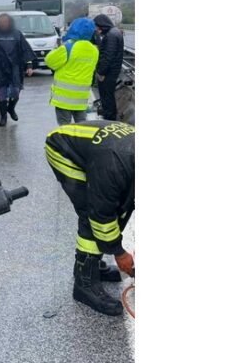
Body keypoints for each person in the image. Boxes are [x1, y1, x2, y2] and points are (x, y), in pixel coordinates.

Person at [44, 120, 135, 316]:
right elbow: (101, 215)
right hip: (63, 148)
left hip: (98, 151)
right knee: (90, 212)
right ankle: (84, 283)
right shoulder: (114, 166)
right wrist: (119, 253)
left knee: (116, 206)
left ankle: (92, 264)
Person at [0, 13, 35, 126]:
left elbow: (25, 50)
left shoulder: (17, 34)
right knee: (1, 93)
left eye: (5, 22)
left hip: (15, 67)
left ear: (10, 22)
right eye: (1, 22)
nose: (3, 24)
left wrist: (29, 65)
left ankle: (11, 108)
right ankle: (3, 117)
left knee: (15, 91)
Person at [45, 18, 99, 125]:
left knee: (64, 127)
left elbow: (49, 61)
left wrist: (57, 48)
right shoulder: (94, 50)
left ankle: (66, 142)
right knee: (82, 126)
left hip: (63, 99)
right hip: (81, 98)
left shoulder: (68, 47)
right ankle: (81, 142)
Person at [93, 14, 125, 121]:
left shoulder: (111, 36)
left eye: (97, 26)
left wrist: (101, 72)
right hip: (112, 71)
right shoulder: (114, 32)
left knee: (107, 96)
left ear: (102, 24)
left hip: (109, 73)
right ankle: (108, 115)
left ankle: (109, 118)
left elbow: (107, 57)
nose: (96, 29)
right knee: (108, 95)